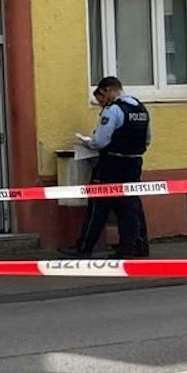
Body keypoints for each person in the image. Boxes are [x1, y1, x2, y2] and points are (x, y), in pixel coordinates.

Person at [64, 76, 152, 259]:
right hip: (134, 163)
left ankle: (84, 248)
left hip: (112, 164)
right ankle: (135, 246)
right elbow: (148, 139)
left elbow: (100, 141)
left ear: (107, 91)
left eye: (101, 100)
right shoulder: (140, 108)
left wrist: (88, 142)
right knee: (131, 205)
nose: (101, 105)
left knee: (98, 204)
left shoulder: (113, 110)